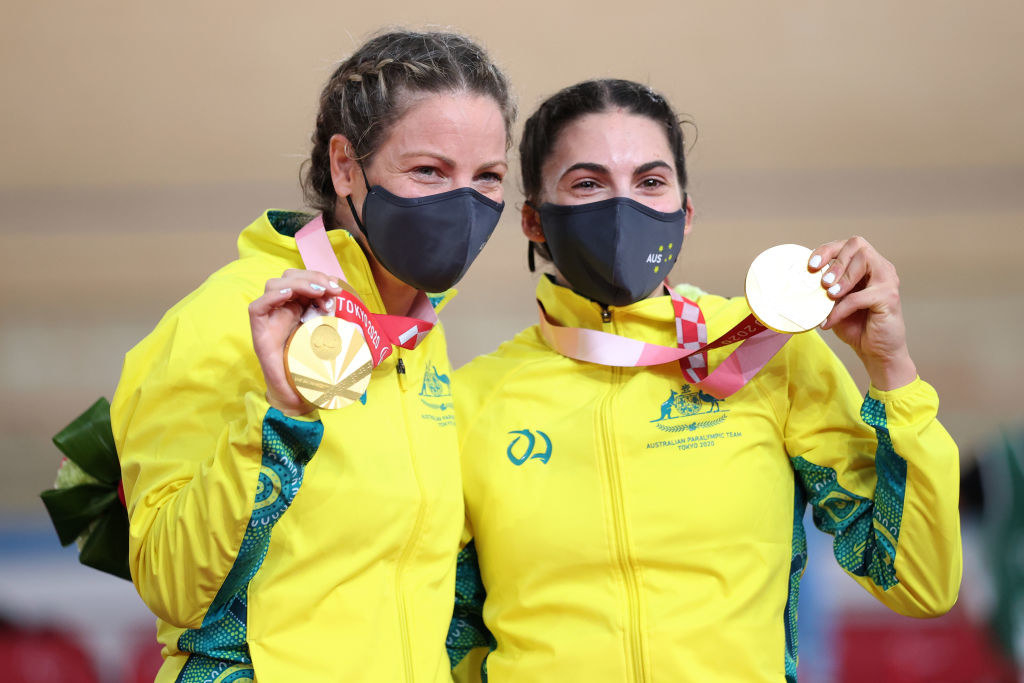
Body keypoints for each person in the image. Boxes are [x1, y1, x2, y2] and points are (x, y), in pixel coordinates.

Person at [447, 79, 961, 682]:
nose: (623, 208)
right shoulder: (474, 400)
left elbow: (920, 581)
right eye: (587, 184)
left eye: (651, 182)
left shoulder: (765, 349)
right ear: (534, 221)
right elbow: (453, 639)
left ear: (684, 216)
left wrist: (892, 371)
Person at [111, 30, 515, 682]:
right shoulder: (222, 321)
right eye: (429, 171)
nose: (462, 205)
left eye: (487, 177)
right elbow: (171, 581)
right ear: (345, 166)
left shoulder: (416, 333)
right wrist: (278, 417)